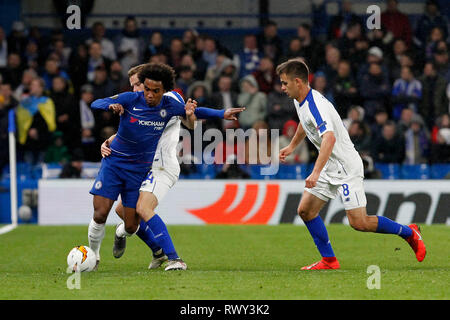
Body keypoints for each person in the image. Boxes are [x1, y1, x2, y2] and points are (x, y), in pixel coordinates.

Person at [89, 62, 245, 271]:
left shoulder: (170, 102)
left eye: (138, 85)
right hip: (138, 164)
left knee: (142, 209)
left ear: (162, 88)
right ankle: (156, 250)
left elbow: (191, 120)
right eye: (137, 86)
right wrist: (110, 139)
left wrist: (215, 113)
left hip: (160, 166)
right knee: (122, 212)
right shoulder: (134, 100)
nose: (138, 91)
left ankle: (174, 258)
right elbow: (135, 128)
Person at [276, 58, 426, 270]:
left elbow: (329, 139)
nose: (282, 88)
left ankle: (410, 233)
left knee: (359, 223)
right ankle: (329, 260)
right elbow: (304, 121)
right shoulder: (300, 100)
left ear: (298, 82)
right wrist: (292, 146)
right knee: (306, 211)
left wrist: (315, 172)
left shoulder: (316, 105)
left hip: (346, 166)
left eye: (284, 83)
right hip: (330, 163)